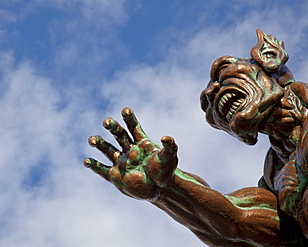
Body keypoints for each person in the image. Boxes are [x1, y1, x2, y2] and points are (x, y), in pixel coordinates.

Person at [84, 30, 308, 246]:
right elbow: (237, 224)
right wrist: (169, 189)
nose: (211, 93)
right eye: (209, 103)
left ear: (270, 57)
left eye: (221, 75)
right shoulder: (274, 174)